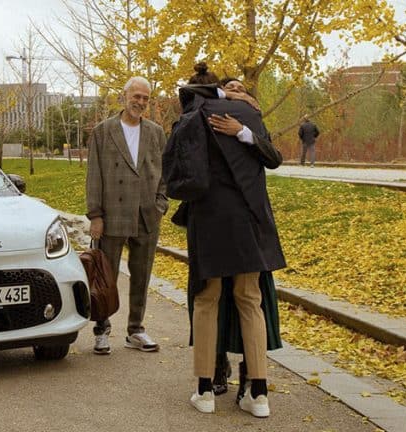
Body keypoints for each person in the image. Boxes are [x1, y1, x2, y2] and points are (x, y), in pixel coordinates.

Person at [170, 63, 286, 418]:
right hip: (250, 218)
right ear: (222, 87)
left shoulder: (192, 113)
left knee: (207, 299)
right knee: (250, 299)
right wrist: (237, 104)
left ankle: (204, 391)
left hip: (209, 219)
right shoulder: (249, 110)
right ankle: (260, 395)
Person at [86, 76, 168, 355]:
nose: (140, 102)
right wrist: (95, 215)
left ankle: (136, 329)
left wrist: (160, 205)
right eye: (136, 96)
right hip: (112, 214)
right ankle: (102, 329)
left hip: (147, 215)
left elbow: (165, 173)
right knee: (105, 277)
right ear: (124, 96)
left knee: (141, 275)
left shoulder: (156, 132)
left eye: (145, 98)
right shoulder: (103, 130)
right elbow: (94, 175)